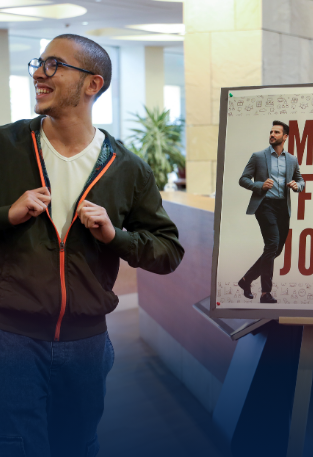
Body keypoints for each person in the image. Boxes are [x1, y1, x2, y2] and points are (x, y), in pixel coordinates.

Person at [0, 34, 183, 456]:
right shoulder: (6, 148)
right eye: (38, 63)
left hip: (86, 345)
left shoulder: (128, 168)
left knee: (77, 447)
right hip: (12, 340)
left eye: (54, 65)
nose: (38, 74)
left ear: (92, 84)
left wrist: (114, 236)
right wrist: (6, 215)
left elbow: (168, 251)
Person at [236, 120, 306, 304]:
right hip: (265, 205)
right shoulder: (258, 156)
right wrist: (259, 185)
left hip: (283, 207)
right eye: (271, 131)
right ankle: (266, 293)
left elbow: (301, 180)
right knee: (272, 244)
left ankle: (246, 280)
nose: (272, 135)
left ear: (285, 137)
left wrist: (296, 185)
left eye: (276, 132)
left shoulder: (291, 159)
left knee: (276, 250)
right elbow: (243, 179)